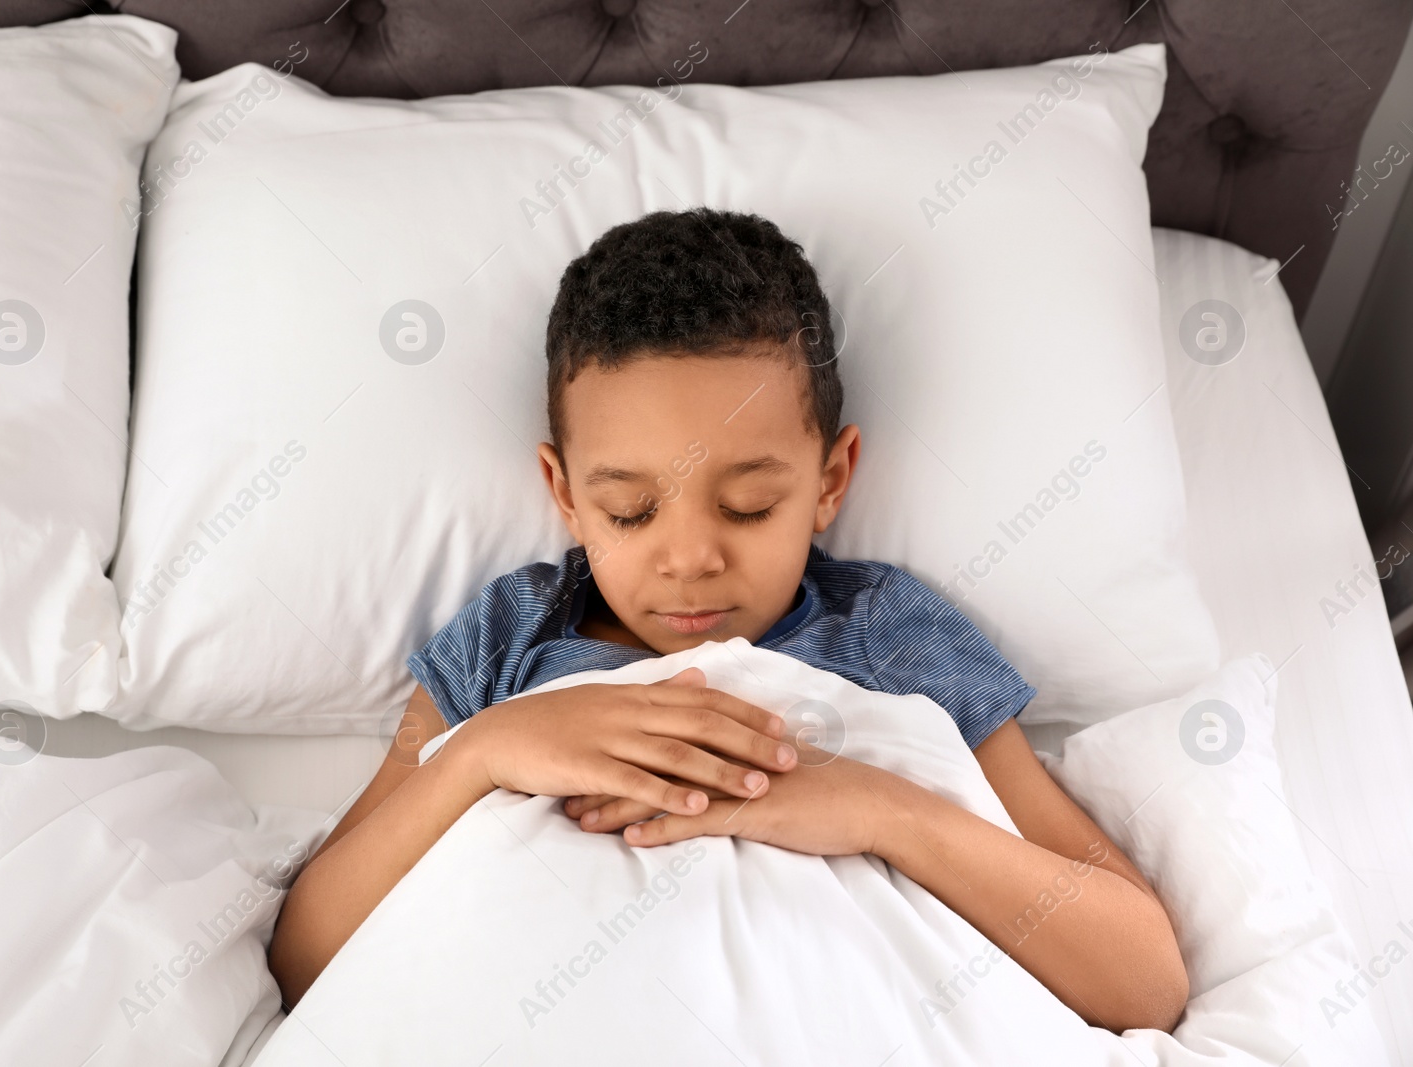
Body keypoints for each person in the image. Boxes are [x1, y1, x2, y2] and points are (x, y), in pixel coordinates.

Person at [268, 208, 1188, 1033]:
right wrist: (484, 752)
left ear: (830, 481)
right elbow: (306, 958)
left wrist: (875, 808)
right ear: (564, 492)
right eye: (630, 511)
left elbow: (1143, 979)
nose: (691, 557)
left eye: (748, 505)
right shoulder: (510, 636)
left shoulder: (887, 631)